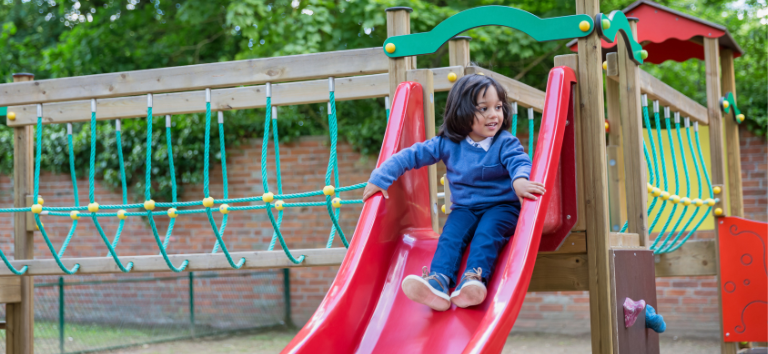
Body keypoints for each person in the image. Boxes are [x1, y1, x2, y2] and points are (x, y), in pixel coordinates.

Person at [362, 74, 545, 311]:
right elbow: (411, 155)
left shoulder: (505, 142)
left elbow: (519, 161)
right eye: (484, 108)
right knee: (451, 236)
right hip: (465, 209)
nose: (494, 114)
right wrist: (380, 178)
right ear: (462, 111)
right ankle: (438, 282)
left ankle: (473, 281)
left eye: (498, 107)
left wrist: (520, 180)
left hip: (502, 207)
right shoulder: (448, 143)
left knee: (487, 235)